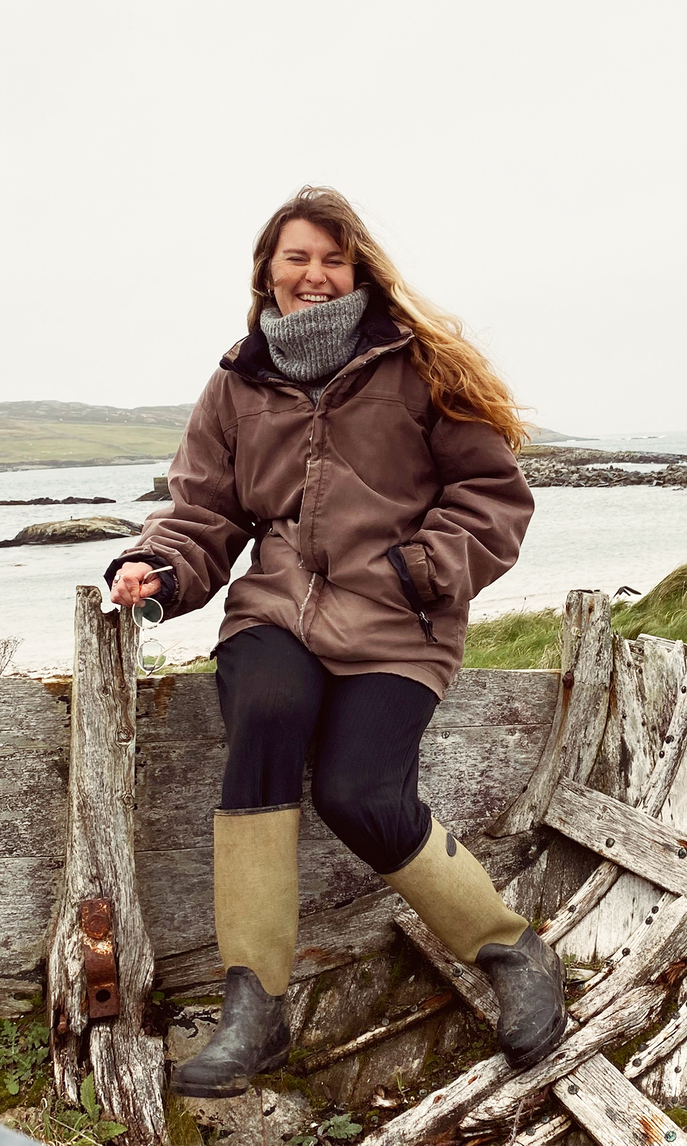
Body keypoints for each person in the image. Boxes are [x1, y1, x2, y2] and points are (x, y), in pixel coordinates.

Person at [106, 186, 566, 1098]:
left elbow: (493, 499)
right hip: (276, 610)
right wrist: (157, 567)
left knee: (361, 793)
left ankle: (510, 950)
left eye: (332, 258)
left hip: (400, 621)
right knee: (267, 716)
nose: (314, 275)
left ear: (358, 269)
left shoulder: (422, 365)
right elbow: (205, 511)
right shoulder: (236, 383)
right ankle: (258, 1008)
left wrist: (420, 570)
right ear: (266, 274)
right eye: (296, 258)